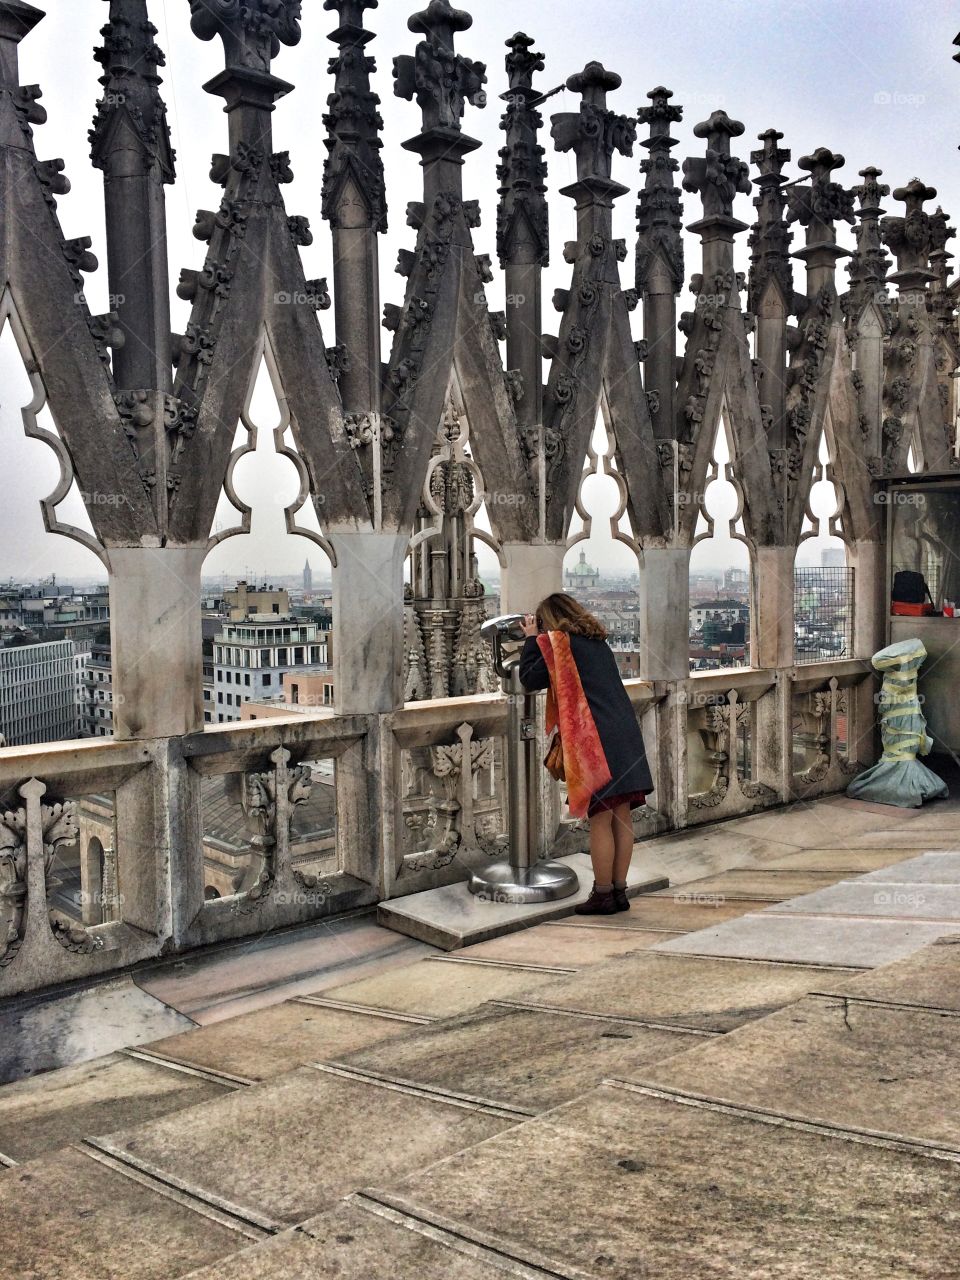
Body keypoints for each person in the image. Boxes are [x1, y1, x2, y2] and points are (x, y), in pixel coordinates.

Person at [519, 592, 653, 915]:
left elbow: (528, 678)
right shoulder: (596, 642)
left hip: (598, 741)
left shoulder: (560, 644)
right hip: (624, 733)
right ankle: (620, 892)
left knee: (600, 819)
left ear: (549, 622)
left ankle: (603, 894)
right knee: (621, 816)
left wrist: (530, 639)